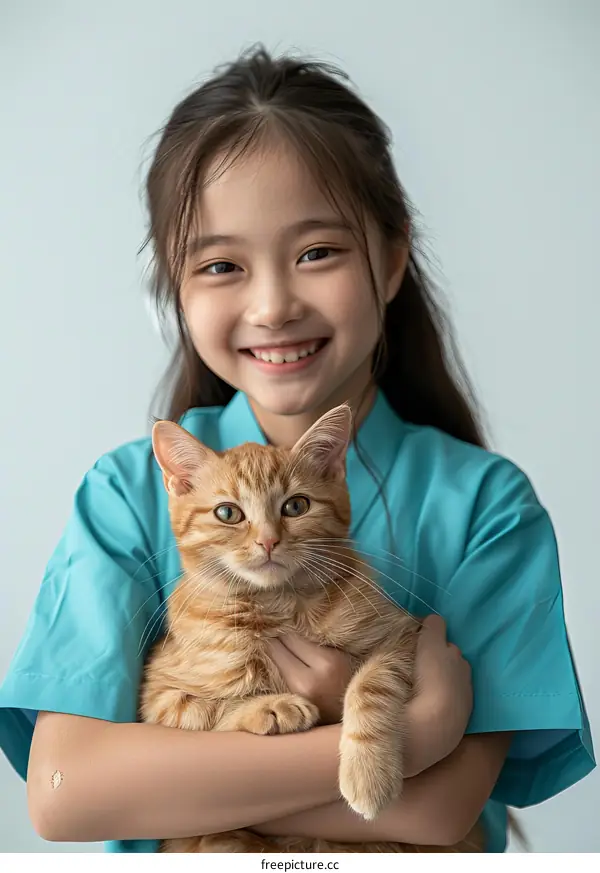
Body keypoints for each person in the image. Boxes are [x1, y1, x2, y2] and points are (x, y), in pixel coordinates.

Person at [0, 46, 594, 854]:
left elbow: (436, 814)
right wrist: (412, 736)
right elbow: (67, 796)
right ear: (174, 291)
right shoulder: (127, 492)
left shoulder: (485, 506)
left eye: (317, 252)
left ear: (390, 259)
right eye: (220, 265)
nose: (274, 304)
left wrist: (175, 788)